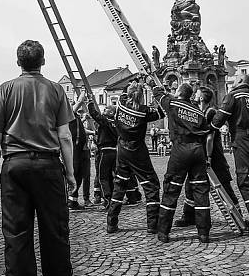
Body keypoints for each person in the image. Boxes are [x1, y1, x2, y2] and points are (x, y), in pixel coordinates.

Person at [0, 39, 77, 276]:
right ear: (43, 61)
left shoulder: (6, 89)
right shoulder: (56, 90)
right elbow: (65, 137)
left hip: (16, 168)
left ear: (18, 62)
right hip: (49, 168)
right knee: (56, 235)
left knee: (17, 239)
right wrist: (71, 173)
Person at [145, 78, 211, 244]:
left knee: (171, 189)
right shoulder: (198, 111)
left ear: (179, 93)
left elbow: (159, 95)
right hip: (198, 151)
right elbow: (205, 131)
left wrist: (152, 83)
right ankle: (203, 233)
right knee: (200, 190)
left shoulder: (173, 103)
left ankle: (163, 232)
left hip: (180, 149)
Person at [174, 85, 241, 232]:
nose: (194, 96)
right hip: (200, 154)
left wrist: (209, 157)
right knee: (190, 185)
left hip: (213, 156)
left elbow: (210, 138)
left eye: (197, 94)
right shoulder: (198, 111)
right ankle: (189, 215)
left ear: (202, 97)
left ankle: (238, 215)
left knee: (223, 184)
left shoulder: (211, 112)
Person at [212, 75, 249, 237]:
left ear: (240, 82)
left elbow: (218, 120)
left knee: (245, 180)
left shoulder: (233, 96)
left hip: (242, 138)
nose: (233, 82)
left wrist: (209, 125)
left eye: (236, 79)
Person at [105, 80, 161, 235]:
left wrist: (134, 83)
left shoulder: (121, 105)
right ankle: (152, 224)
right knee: (151, 185)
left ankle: (111, 223)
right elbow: (162, 111)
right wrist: (154, 87)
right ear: (141, 96)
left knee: (119, 185)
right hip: (137, 151)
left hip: (122, 150)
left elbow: (123, 93)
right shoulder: (144, 111)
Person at [87, 97, 119, 207]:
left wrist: (90, 102)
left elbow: (95, 114)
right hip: (114, 151)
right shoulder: (117, 123)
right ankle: (115, 197)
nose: (103, 111)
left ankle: (107, 199)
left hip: (104, 151)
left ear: (110, 112)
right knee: (112, 175)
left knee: (103, 176)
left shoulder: (106, 121)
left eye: (105, 109)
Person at [68, 101, 93, 210]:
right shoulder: (68, 116)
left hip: (82, 150)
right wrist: (82, 97)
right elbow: (73, 109)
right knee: (74, 174)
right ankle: (70, 200)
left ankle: (73, 200)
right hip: (74, 150)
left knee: (80, 176)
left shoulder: (77, 118)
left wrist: (93, 133)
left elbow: (82, 130)